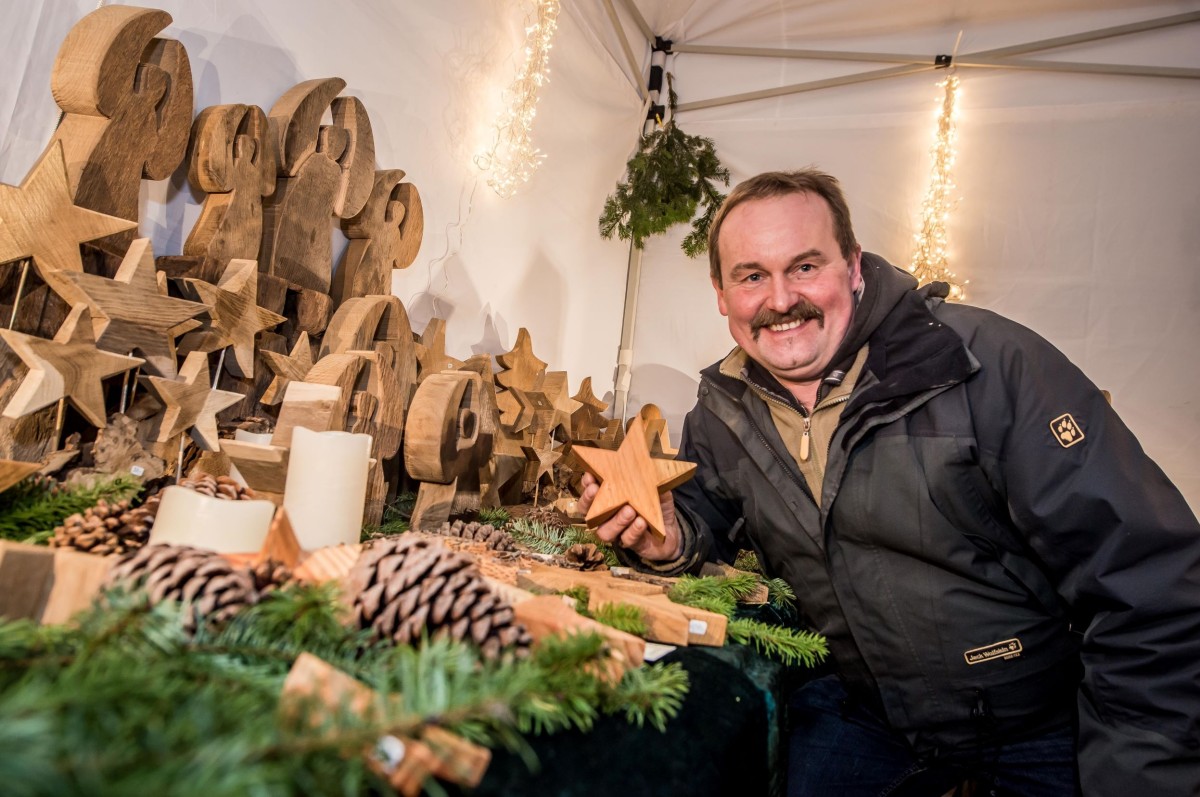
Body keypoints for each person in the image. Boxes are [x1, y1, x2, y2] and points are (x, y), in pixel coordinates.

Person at [578, 169, 1200, 796]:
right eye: (751, 275)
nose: (779, 299)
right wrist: (668, 534)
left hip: (1036, 716)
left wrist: (1140, 772)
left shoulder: (986, 365)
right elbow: (707, 510)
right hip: (866, 709)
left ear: (852, 266)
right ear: (720, 293)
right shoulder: (723, 404)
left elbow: (1149, 582)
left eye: (804, 266)